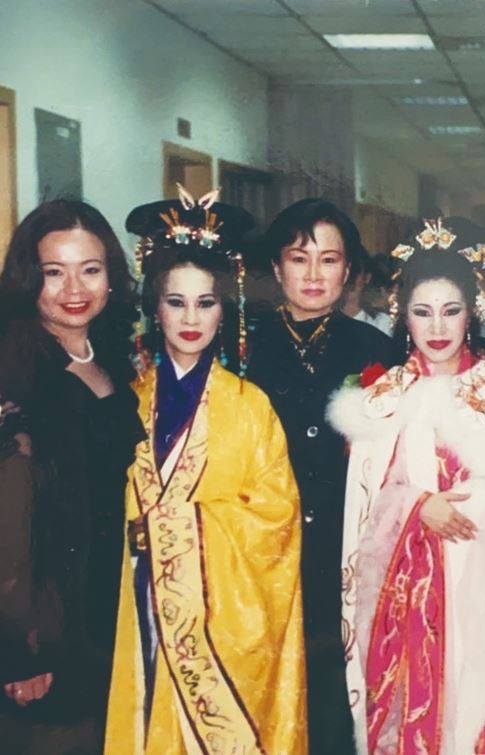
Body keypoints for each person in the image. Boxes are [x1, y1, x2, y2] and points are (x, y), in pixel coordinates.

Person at [329, 218, 485, 755]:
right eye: (422, 312)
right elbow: (359, 517)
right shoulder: (381, 401)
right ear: (403, 316)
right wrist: (417, 507)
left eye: (451, 310)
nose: (437, 327)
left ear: (472, 312)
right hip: (411, 606)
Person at [105, 189, 307, 754]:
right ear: (155, 308)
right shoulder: (126, 401)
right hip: (140, 602)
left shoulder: (251, 407)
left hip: (221, 625)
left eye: (206, 303)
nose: (191, 319)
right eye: (176, 302)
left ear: (225, 309)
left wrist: (175, 526)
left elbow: (277, 520)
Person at [0, 200, 144, 754]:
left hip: (112, 614)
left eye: (90, 269)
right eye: (54, 272)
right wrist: (18, 654)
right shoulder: (8, 384)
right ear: (29, 281)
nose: (74, 289)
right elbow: (0, 536)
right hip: (48, 635)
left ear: (111, 278)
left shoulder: (113, 363)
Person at [247, 197, 395, 754]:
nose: (313, 274)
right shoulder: (243, 344)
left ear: (349, 270)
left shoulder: (376, 350)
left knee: (339, 699)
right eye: (298, 258)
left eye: (329, 260)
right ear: (277, 266)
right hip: (265, 550)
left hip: (347, 550)